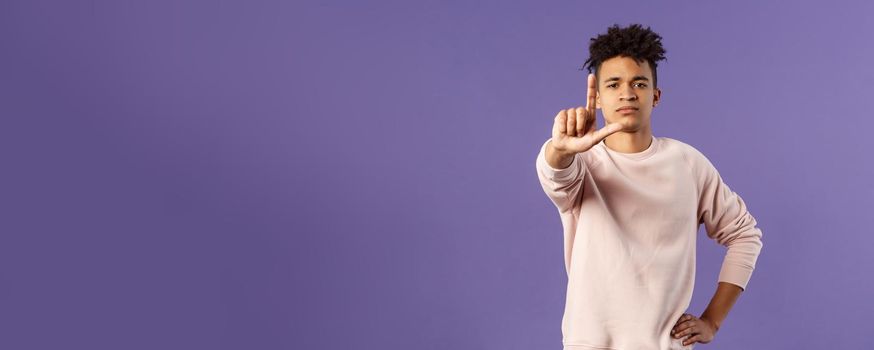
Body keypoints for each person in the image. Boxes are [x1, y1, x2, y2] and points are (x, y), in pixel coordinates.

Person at [535, 23, 763, 350]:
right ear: (598, 98)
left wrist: (712, 320)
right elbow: (555, 176)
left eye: (638, 83)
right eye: (614, 84)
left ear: (655, 96)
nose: (627, 93)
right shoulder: (582, 163)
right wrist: (559, 149)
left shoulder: (688, 164)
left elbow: (744, 234)